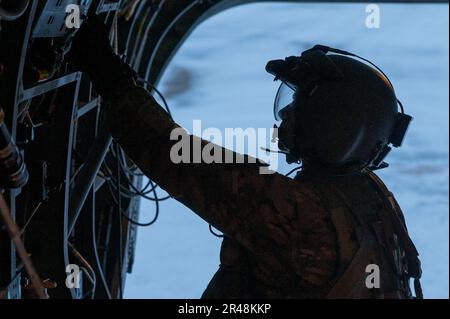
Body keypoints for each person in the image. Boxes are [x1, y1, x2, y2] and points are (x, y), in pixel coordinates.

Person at [69, 16, 422, 299]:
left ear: (330, 122)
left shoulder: (303, 216)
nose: (284, 116)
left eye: (297, 106)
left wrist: (110, 76)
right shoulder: (370, 197)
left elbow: (174, 154)